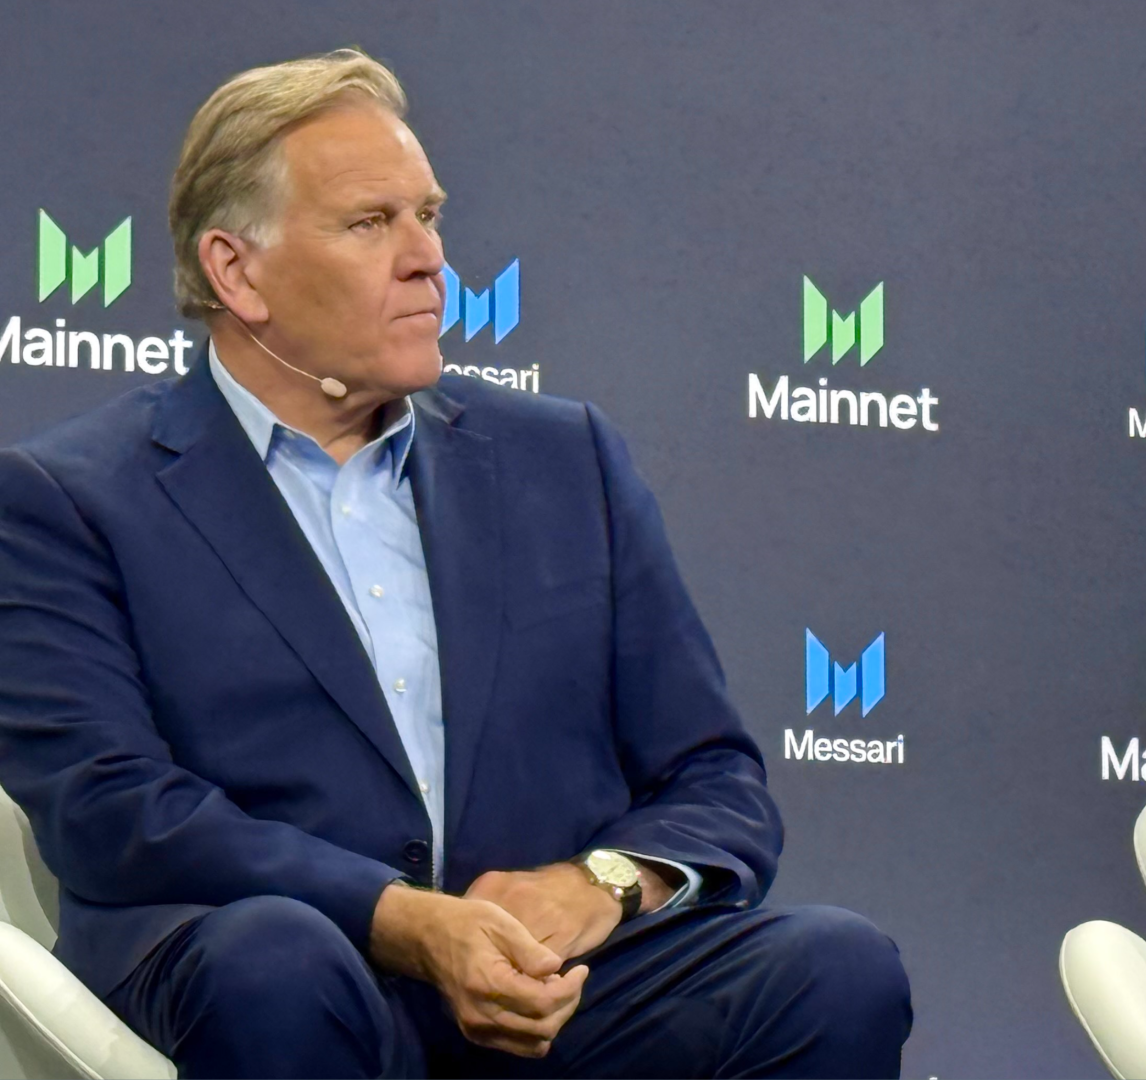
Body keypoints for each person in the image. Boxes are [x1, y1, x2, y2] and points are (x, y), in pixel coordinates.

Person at [0, 48, 911, 1079]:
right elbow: (112, 808)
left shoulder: (565, 459)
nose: (428, 258)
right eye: (369, 223)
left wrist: (598, 885)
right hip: (295, 967)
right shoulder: (71, 495)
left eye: (428, 216)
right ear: (235, 271)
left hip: (561, 989)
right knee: (275, 963)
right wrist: (407, 922)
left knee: (837, 967)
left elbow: (712, 776)